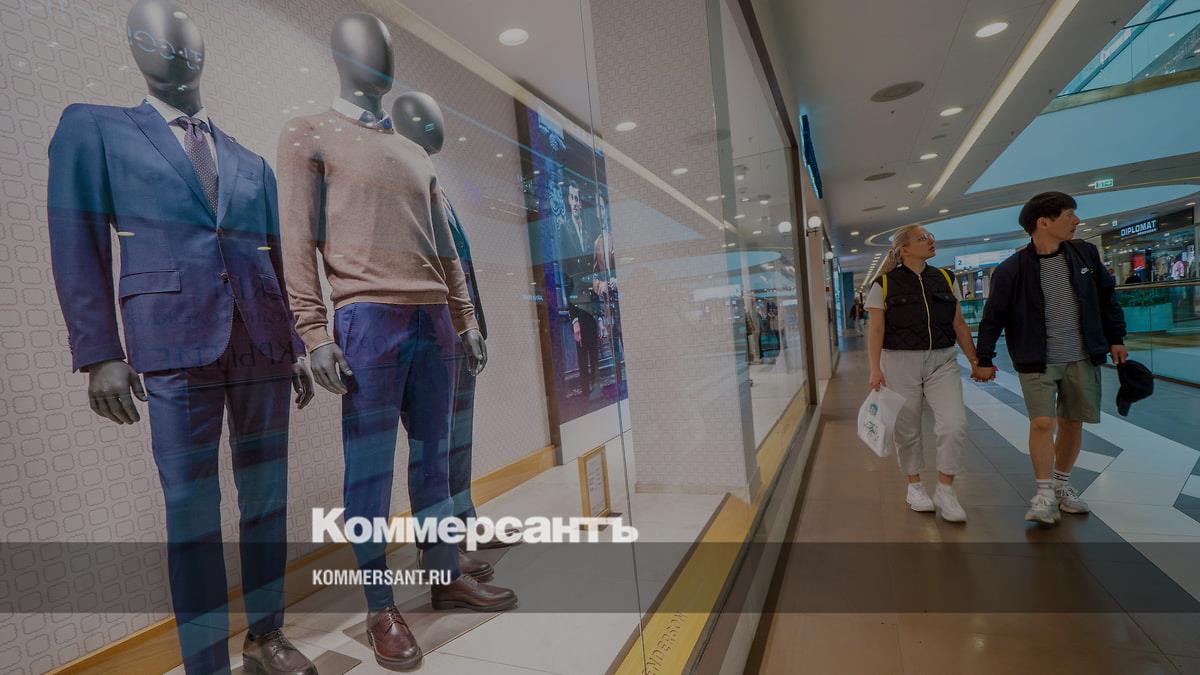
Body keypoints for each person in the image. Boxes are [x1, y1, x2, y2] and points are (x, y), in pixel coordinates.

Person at [975, 192, 1127, 525]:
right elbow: (993, 317)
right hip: (1036, 357)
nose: (1076, 221)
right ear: (1043, 222)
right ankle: (1044, 494)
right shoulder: (1012, 269)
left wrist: (1116, 337)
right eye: (1069, 215)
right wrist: (983, 358)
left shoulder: (1085, 254)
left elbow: (1106, 298)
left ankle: (1060, 485)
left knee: (1073, 422)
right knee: (1043, 422)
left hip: (1082, 355)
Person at [866, 224, 985, 522]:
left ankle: (946, 489)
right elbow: (876, 329)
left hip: (942, 360)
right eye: (922, 238)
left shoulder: (945, 278)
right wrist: (874, 368)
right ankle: (915, 486)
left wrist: (975, 360)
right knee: (907, 429)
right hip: (899, 362)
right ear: (904, 249)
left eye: (930, 237)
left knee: (954, 424)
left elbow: (958, 323)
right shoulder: (884, 283)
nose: (931, 241)